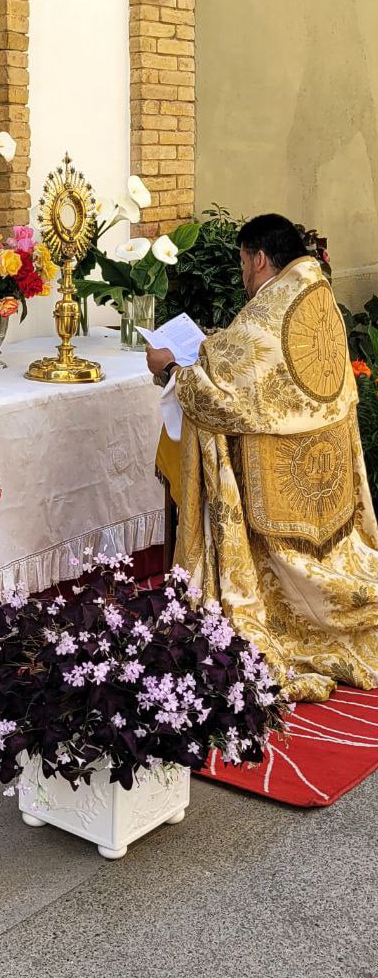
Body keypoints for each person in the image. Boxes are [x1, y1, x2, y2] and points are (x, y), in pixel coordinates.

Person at [147, 213, 378, 702]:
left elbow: (224, 396)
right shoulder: (318, 296)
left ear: (258, 258)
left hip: (280, 472)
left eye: (243, 265)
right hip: (324, 466)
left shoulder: (269, 307)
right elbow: (257, 362)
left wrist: (172, 367)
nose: (244, 277)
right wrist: (215, 345)